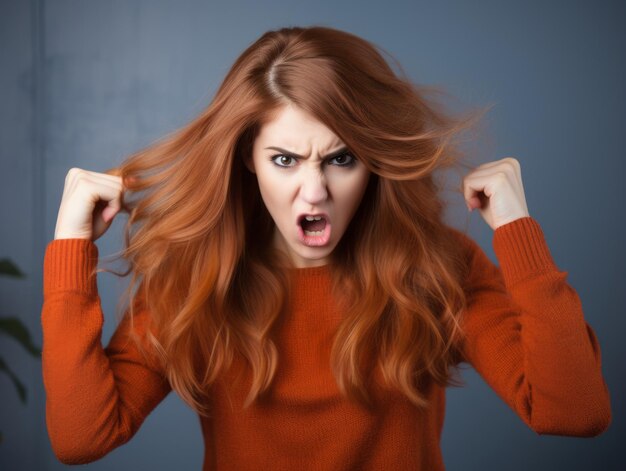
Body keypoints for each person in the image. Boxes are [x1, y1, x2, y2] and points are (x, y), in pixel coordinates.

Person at [41, 25, 611, 470]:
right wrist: (70, 247)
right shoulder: (197, 279)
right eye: (284, 159)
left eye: (341, 159)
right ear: (246, 157)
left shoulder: (435, 269)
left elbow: (573, 411)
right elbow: (81, 437)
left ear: (375, 160)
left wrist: (517, 229)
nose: (313, 192)